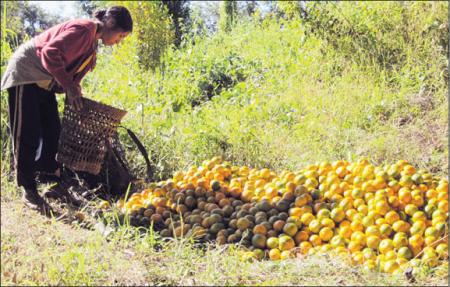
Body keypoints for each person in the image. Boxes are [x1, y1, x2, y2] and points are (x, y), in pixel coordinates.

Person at [1, 6, 133, 215]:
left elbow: (72, 74)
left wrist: (74, 90)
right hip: (26, 73)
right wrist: (70, 87)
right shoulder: (83, 29)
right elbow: (50, 52)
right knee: (28, 132)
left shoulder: (92, 45)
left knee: (54, 131)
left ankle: (51, 182)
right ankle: (28, 189)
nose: (119, 41)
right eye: (121, 35)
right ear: (110, 24)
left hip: (44, 81)